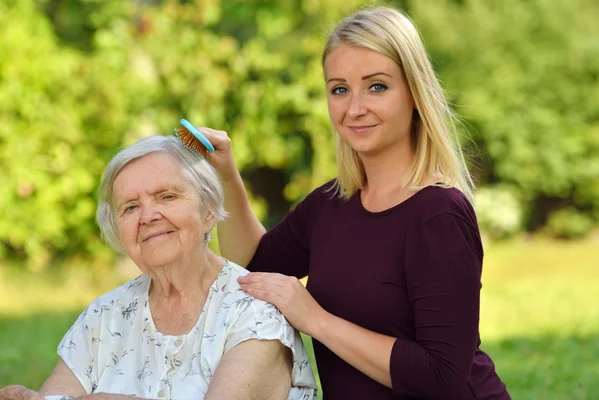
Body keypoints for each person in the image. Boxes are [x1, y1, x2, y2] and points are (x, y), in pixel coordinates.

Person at [195, 6, 511, 400]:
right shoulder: (331, 203)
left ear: (414, 93)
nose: (354, 107)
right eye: (339, 89)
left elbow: (442, 376)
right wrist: (227, 176)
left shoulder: (439, 214)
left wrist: (315, 319)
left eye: (376, 86)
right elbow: (253, 266)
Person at [0, 136, 317, 400]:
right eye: (131, 207)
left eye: (166, 196)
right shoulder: (105, 316)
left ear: (208, 212)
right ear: (117, 230)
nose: (148, 215)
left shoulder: (255, 312)